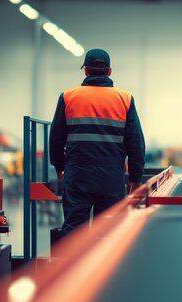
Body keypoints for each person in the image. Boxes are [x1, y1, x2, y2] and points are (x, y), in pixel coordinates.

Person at [49, 48, 146, 236]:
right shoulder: (124, 98)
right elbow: (136, 143)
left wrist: (59, 167)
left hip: (77, 175)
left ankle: (75, 266)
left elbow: (56, 138)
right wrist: (135, 178)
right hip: (111, 177)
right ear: (109, 71)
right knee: (108, 232)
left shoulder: (68, 97)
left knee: (75, 231)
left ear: (85, 70)